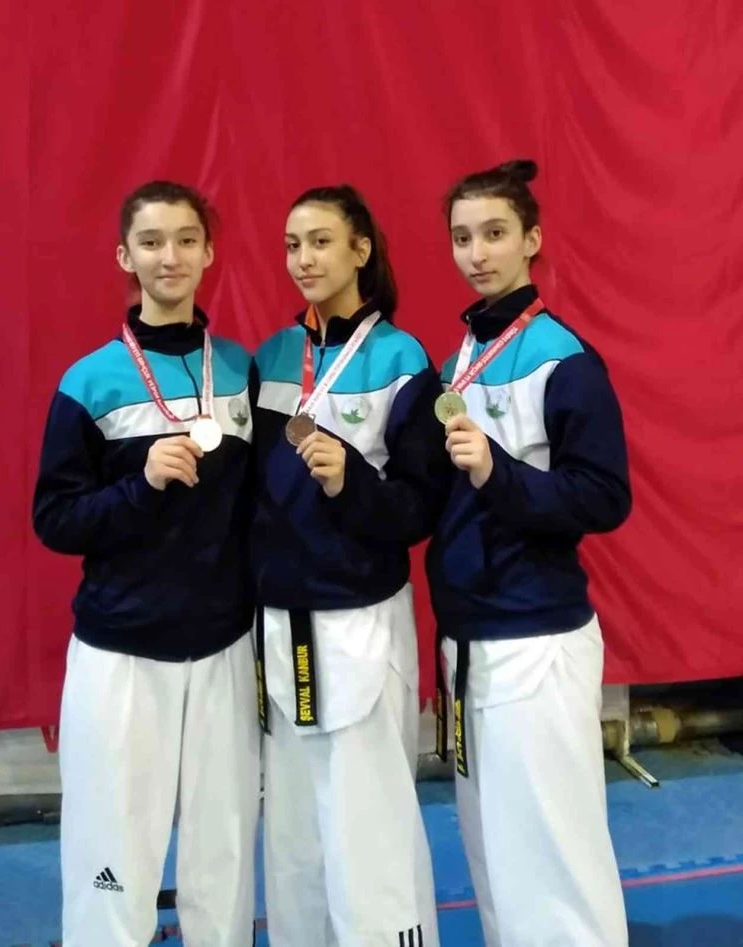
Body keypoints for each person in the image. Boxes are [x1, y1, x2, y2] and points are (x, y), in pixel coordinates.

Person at [33, 181, 259, 947]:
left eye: (187, 239)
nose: (171, 256)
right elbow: (56, 520)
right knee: (113, 851)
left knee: (223, 850)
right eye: (153, 241)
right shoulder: (88, 381)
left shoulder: (238, 372)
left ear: (209, 252)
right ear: (124, 257)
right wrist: (141, 486)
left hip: (224, 647)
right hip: (123, 650)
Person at [427, 159, 631, 946]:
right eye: (462, 237)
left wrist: (497, 470)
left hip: (536, 637)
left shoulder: (563, 358)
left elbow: (604, 496)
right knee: (496, 857)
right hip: (470, 636)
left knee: (554, 857)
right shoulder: (461, 355)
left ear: (532, 240)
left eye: (495, 233)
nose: (477, 253)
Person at [251, 184, 448, 947]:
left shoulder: (402, 360)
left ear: (361, 249)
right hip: (280, 622)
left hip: (360, 616)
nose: (304, 259)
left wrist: (351, 481)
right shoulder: (271, 357)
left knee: (369, 827)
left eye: (321, 241)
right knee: (295, 836)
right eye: (293, 245)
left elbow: (419, 507)